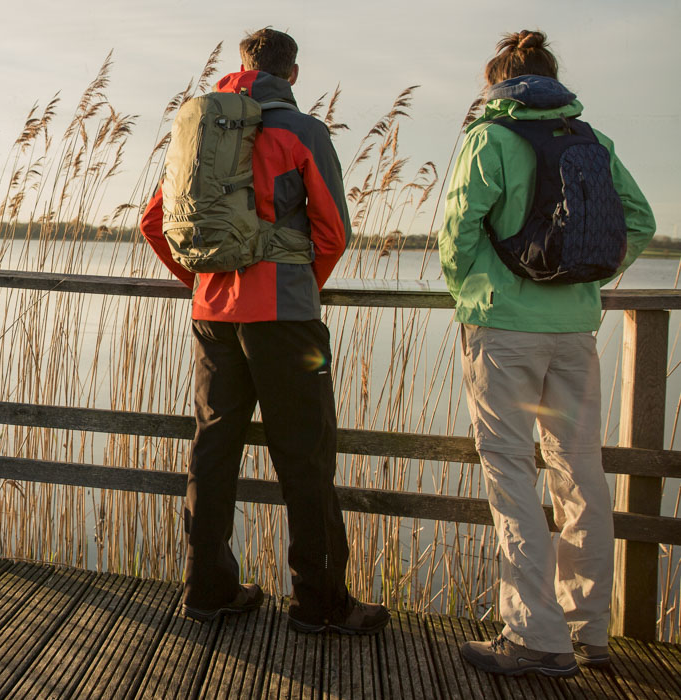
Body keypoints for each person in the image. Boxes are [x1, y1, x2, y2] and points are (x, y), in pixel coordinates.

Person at [140, 27, 389, 635]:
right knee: (304, 457)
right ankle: (318, 603)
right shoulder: (303, 131)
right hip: (285, 319)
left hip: (212, 317)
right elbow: (332, 231)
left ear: (239, 67)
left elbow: (154, 222)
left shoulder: (198, 127)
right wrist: (301, 286)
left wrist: (201, 282)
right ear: (293, 74)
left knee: (214, 447)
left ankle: (207, 590)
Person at [439, 30, 655, 677]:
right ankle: (591, 633)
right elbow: (638, 221)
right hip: (575, 333)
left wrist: (480, 296)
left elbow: (456, 234)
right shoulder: (590, 141)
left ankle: (535, 635)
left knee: (509, 473)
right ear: (553, 81)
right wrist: (580, 279)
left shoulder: (489, 138)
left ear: (498, 82)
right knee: (581, 474)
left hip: (504, 333)